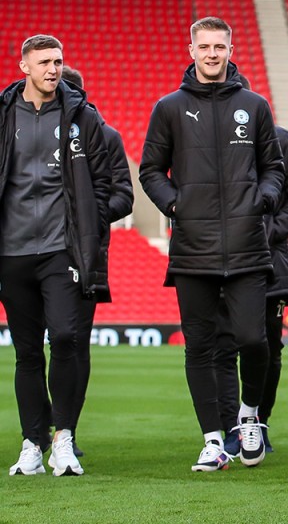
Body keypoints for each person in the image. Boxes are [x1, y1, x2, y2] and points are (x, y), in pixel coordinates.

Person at [139, 16, 284, 472]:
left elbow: (274, 168)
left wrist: (263, 199)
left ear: (230, 50)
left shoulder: (254, 105)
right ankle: (212, 440)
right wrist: (176, 205)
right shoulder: (169, 107)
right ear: (192, 51)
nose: (212, 54)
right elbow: (150, 170)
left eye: (219, 46)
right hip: (193, 248)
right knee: (199, 347)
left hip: (247, 245)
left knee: (253, 340)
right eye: (204, 47)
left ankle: (249, 416)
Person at [1, 35, 111, 477]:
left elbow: (103, 181)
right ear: (24, 66)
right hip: (11, 250)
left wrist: (88, 228)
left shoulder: (83, 115)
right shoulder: (4, 113)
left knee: (65, 337)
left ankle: (63, 438)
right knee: (27, 352)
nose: (53, 68)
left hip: (60, 248)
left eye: (58, 61)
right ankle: (33, 443)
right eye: (44, 61)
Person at [216, 75, 288, 457]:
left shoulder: (280, 140)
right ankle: (230, 428)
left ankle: (258, 420)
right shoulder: (203, 141)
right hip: (215, 259)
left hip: (269, 263)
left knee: (268, 347)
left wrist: (269, 231)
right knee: (222, 347)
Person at [58, 66, 134, 459]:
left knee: (73, 343)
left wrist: (88, 216)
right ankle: (37, 433)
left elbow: (124, 195)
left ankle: (65, 431)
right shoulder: (27, 131)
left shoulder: (105, 136)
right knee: (35, 349)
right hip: (31, 250)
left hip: (83, 255)